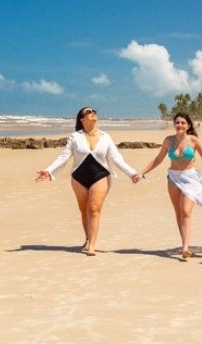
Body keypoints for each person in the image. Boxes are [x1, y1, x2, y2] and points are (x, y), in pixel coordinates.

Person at [35, 106, 139, 256]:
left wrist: (132, 173)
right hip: (79, 178)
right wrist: (49, 170)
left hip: (100, 176)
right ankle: (87, 238)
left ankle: (92, 245)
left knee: (94, 209)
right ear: (82, 119)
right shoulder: (75, 137)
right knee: (84, 211)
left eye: (94, 111)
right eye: (88, 112)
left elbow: (116, 158)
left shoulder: (105, 136)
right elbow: (64, 156)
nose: (93, 113)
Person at [134, 112, 202, 259]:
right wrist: (142, 173)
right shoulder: (168, 140)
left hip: (190, 179)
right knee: (178, 212)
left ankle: (185, 247)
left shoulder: (193, 140)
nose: (179, 125)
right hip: (173, 178)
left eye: (182, 123)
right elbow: (158, 159)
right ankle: (184, 245)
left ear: (188, 125)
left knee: (186, 211)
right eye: (177, 122)